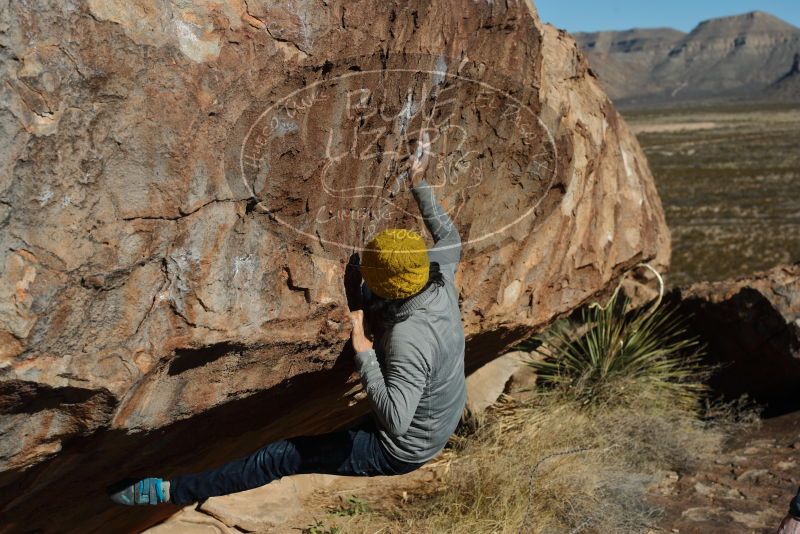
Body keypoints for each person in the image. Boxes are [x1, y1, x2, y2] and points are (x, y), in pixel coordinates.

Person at [108, 139, 466, 506]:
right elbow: (450, 238)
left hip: (401, 447)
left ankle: (169, 492)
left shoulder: (409, 338)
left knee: (279, 457)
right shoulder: (438, 269)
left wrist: (364, 352)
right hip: (438, 415)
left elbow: (396, 419)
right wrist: (418, 181)